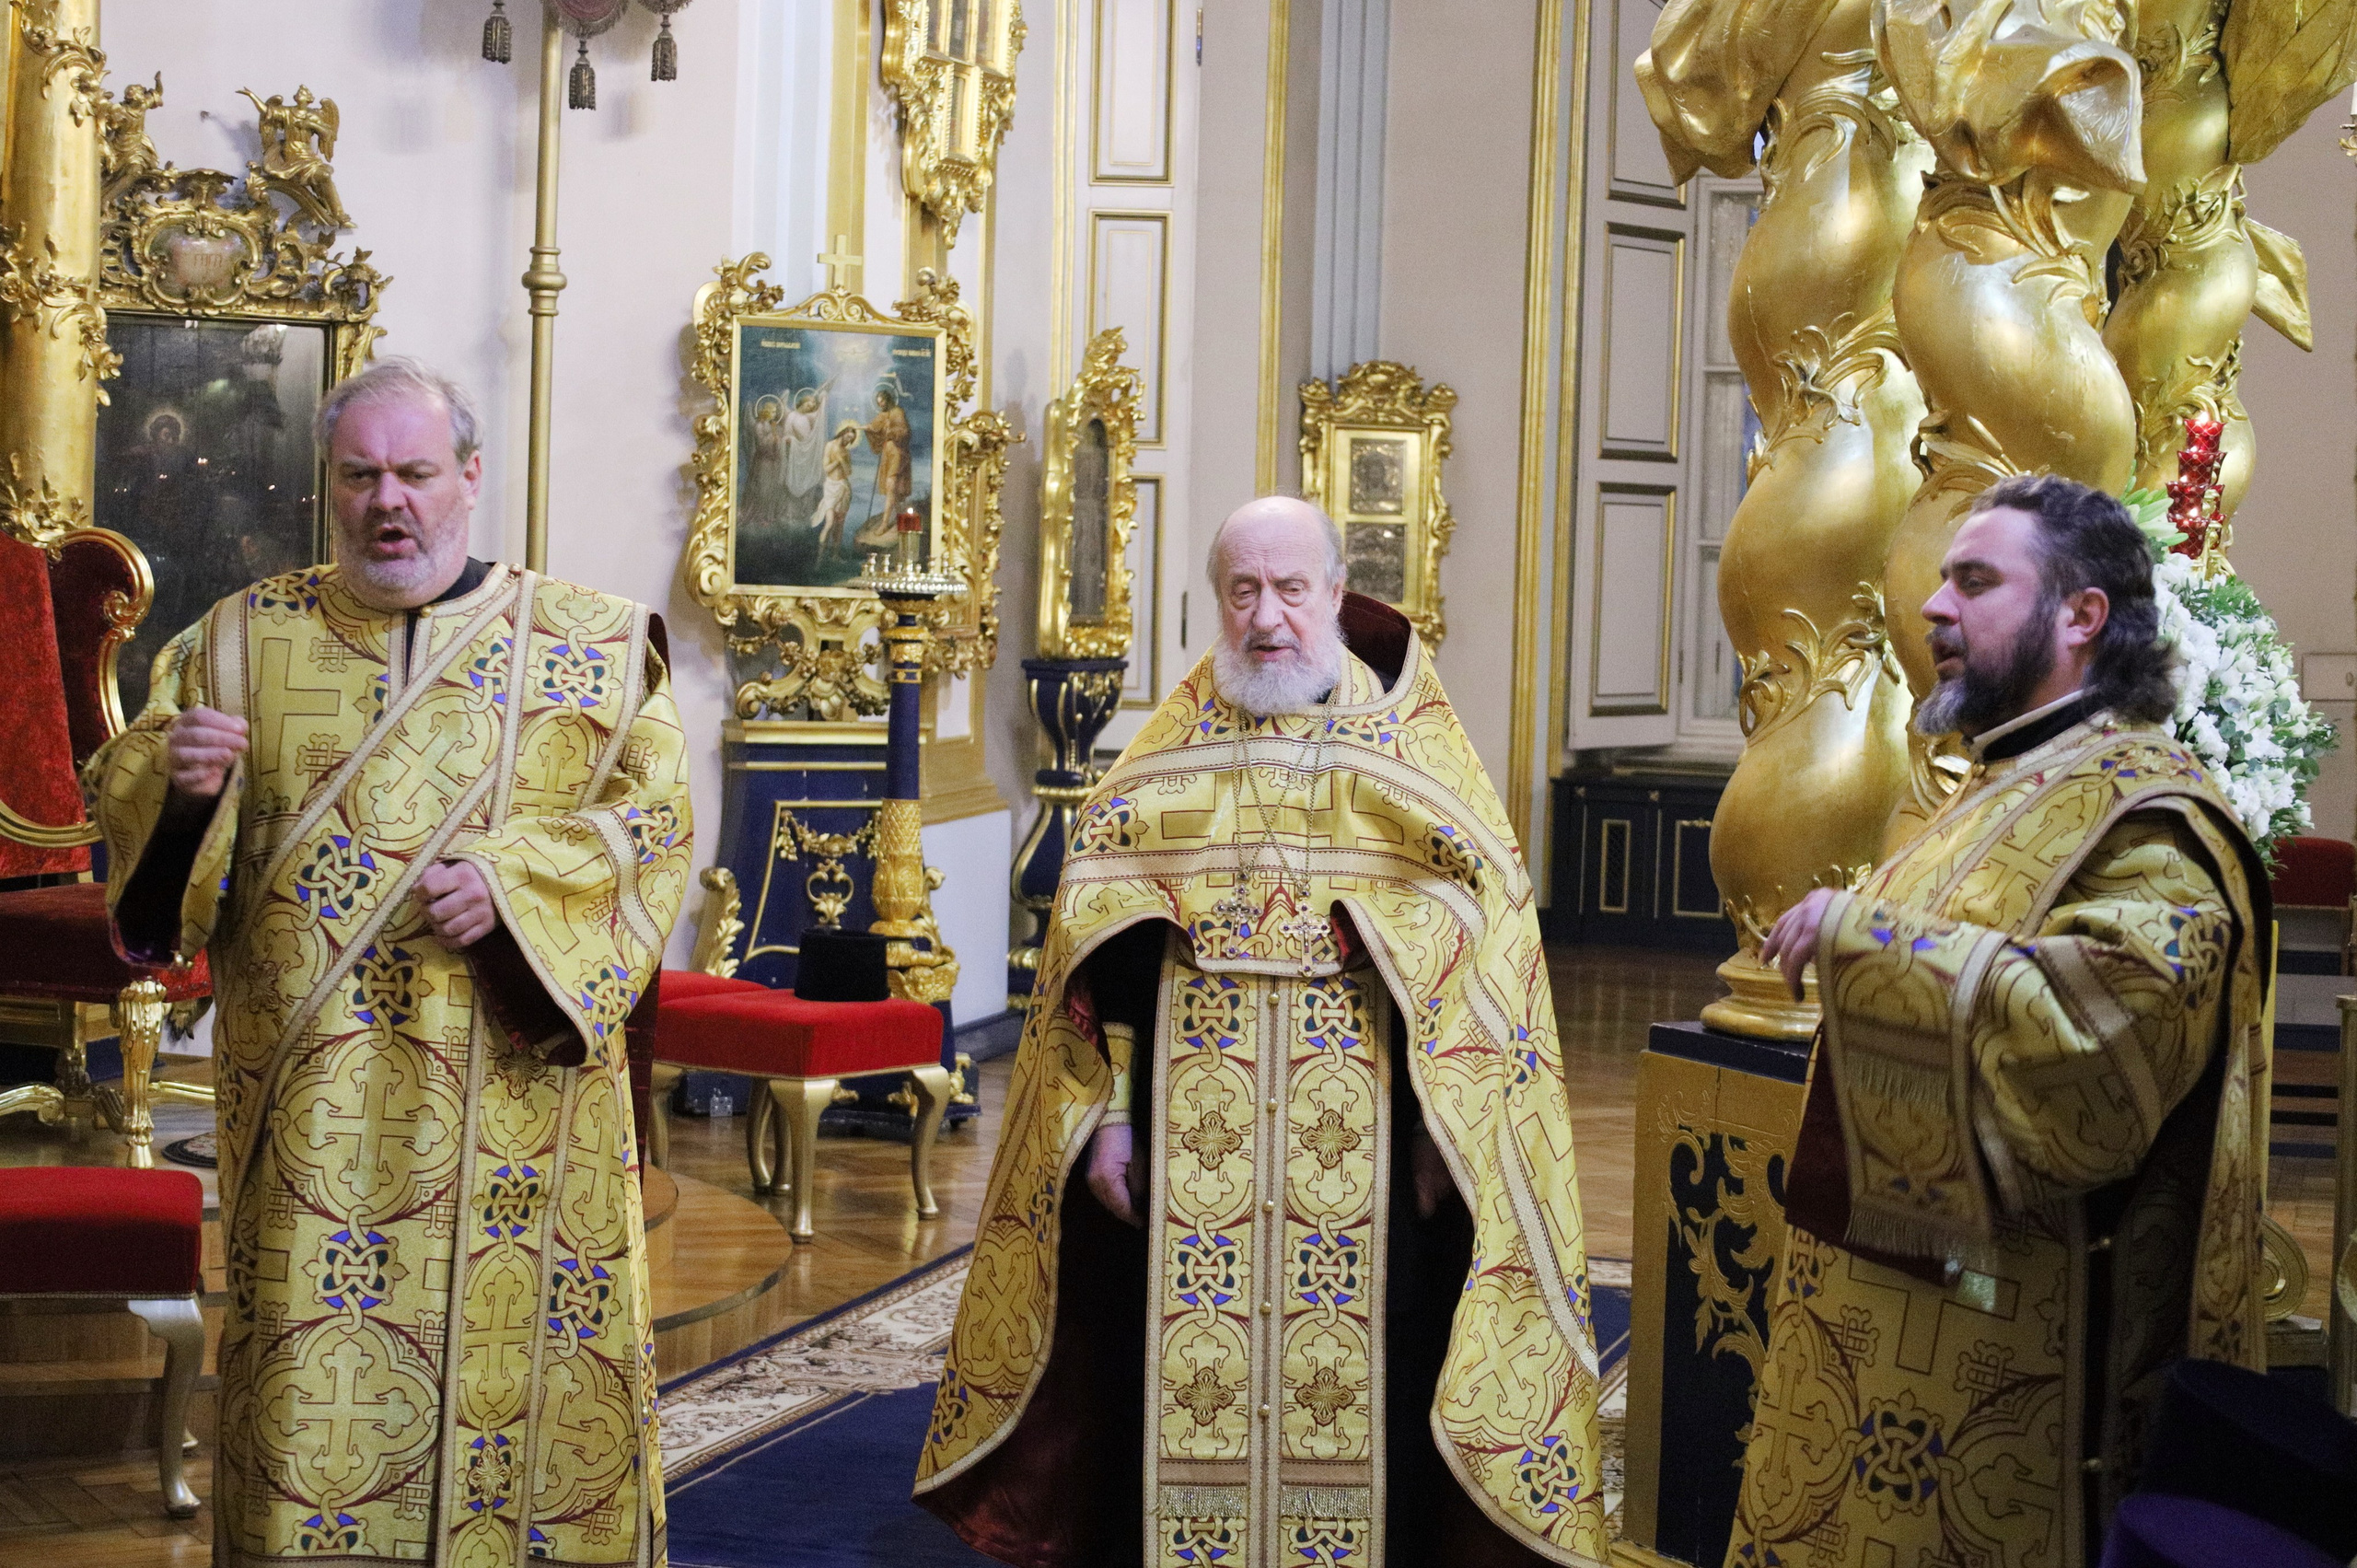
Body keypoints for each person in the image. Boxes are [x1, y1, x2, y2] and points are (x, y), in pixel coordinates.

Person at [914, 496, 1607, 1566]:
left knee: (1374, 1375)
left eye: (1291, 589)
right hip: (1194, 1140)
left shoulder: (1415, 756)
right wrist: (1110, 1122)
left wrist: (1441, 1130)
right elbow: (1107, 960)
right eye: (1244, 590)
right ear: (1217, 598)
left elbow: (1479, 964)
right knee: (1178, 1373)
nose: (1268, 618)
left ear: (1336, 592)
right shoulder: (1167, 754)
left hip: (1370, 1143)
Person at [87, 357, 692, 1568]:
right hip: (320, 1131)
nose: (389, 501)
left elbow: (656, 827)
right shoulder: (238, 641)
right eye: (360, 475)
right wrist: (187, 788)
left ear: (470, 477)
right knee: (315, 1406)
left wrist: (521, 892)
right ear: (331, 485)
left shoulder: (594, 645)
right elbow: (143, 851)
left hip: (520, 1121)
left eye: (416, 472)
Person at [1725, 474, 2269, 1568]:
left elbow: (2106, 1051)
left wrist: (1869, 941)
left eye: (1974, 581)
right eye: (1939, 580)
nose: (1932, 607)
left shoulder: (2149, 808)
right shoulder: (1998, 781)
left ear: (2081, 615)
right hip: (1882, 1335)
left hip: (2012, 1366)